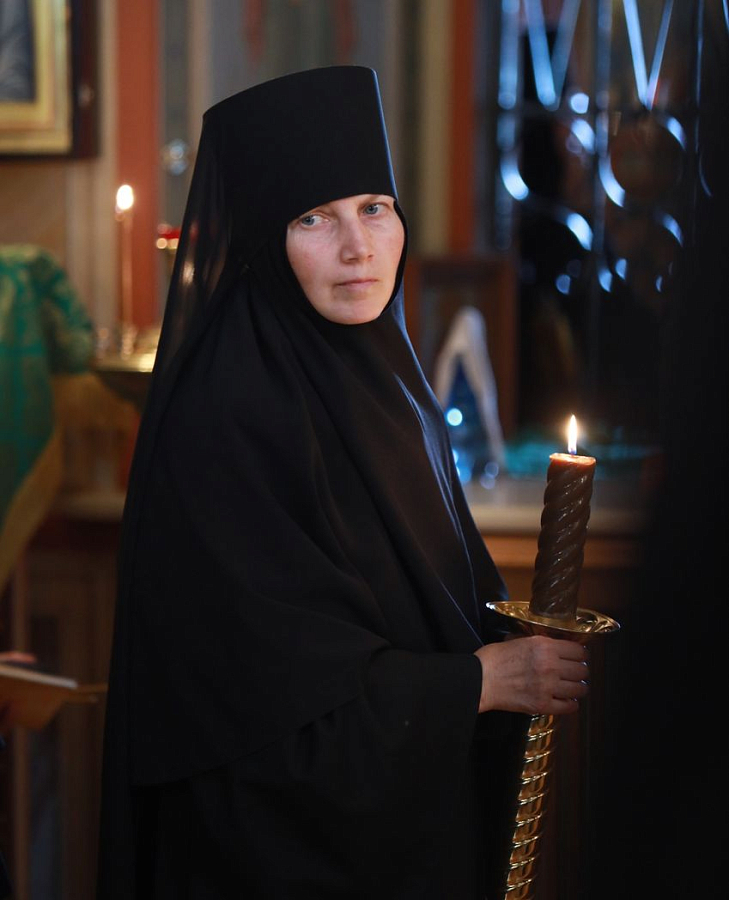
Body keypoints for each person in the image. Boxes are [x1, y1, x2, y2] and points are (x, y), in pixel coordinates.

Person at [96, 67, 587, 899]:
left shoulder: (389, 380)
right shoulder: (223, 413)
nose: (358, 248)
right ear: (262, 238)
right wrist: (477, 683)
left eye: (374, 208)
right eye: (312, 218)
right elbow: (260, 704)